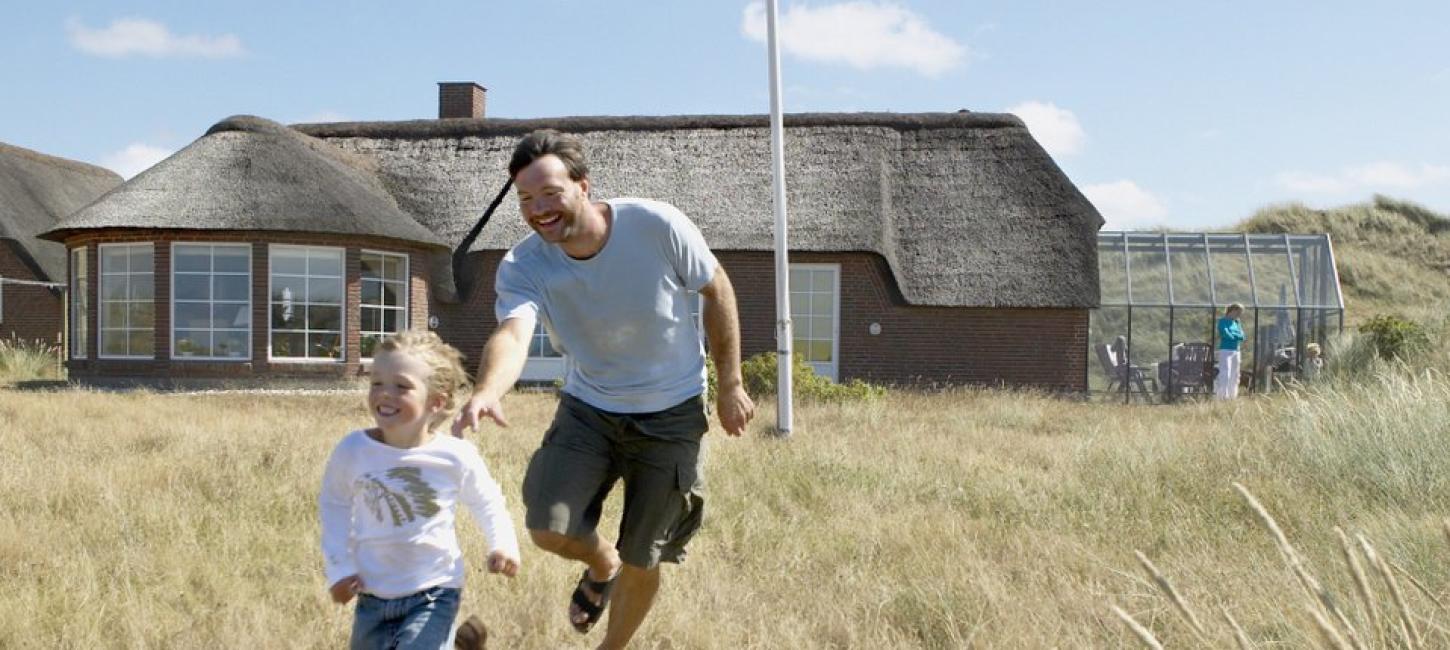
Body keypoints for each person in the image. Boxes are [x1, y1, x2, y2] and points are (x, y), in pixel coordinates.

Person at [452, 129, 756, 649]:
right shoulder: (524, 265)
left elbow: (717, 286)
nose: (538, 209)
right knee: (549, 525)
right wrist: (487, 391)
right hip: (590, 407)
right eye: (526, 199)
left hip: (672, 411)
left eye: (550, 193)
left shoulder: (654, 225)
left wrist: (731, 382)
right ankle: (600, 562)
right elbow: (513, 333)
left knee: (646, 553)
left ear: (584, 186)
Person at [321, 330, 520, 649]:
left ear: (436, 401)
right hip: (371, 595)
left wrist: (503, 546)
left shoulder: (454, 455)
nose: (385, 394)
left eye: (401, 386)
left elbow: (488, 502)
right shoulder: (353, 450)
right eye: (376, 383)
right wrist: (339, 569)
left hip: (433, 593)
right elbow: (334, 506)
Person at [1215, 303, 1246, 399]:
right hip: (1226, 351)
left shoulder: (1237, 322)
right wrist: (1235, 335)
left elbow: (1242, 336)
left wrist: (1234, 335)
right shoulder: (1222, 321)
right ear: (1233, 311)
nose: (1239, 315)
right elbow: (1225, 333)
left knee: (1235, 374)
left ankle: (1233, 396)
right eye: (1238, 312)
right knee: (1225, 373)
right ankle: (1223, 396)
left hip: (1236, 351)